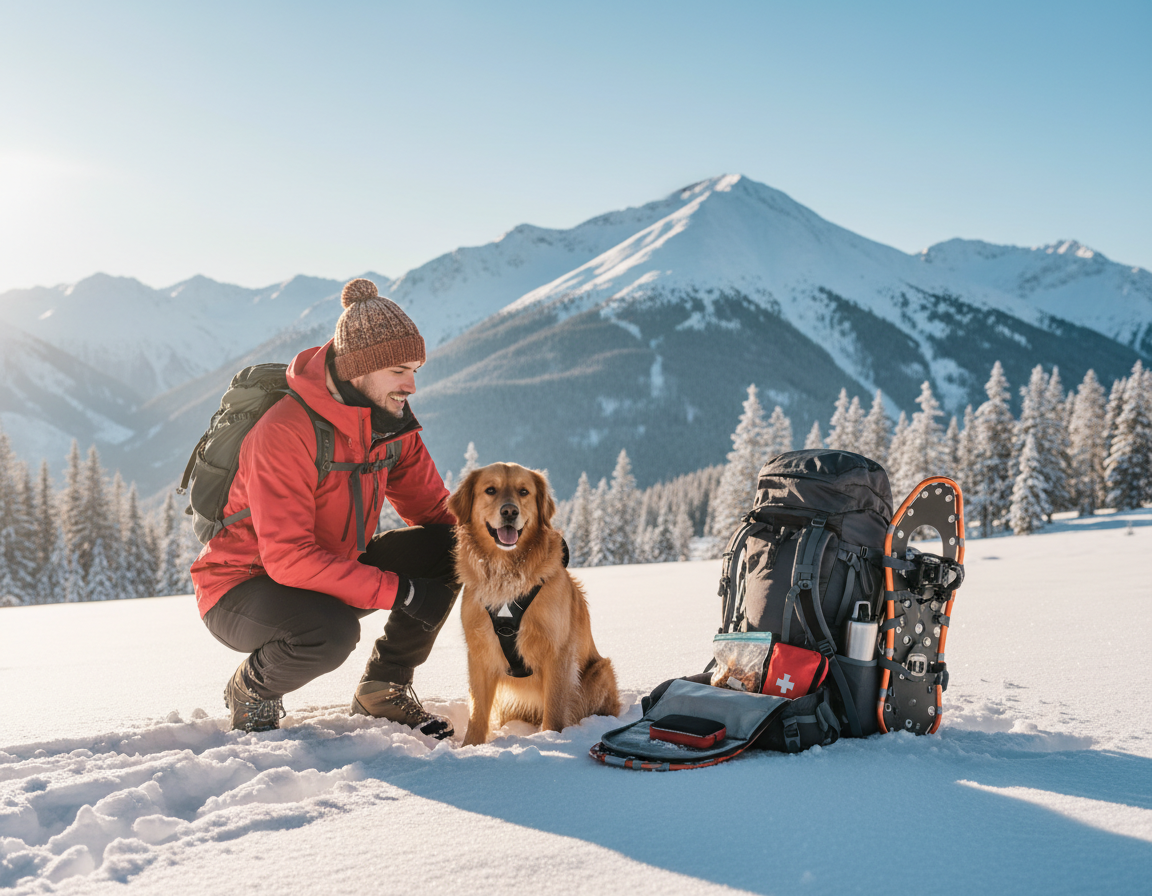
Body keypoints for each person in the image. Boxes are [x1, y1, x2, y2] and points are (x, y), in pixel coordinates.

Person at [190, 278, 458, 737]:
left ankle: (382, 688)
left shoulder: (391, 427)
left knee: (454, 547)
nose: (411, 385)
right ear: (360, 368)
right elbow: (288, 558)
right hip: (242, 588)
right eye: (398, 370)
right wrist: (405, 593)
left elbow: (438, 511)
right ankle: (252, 690)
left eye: (415, 369)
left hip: (329, 572)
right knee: (330, 634)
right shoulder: (284, 432)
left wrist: (515, 549)